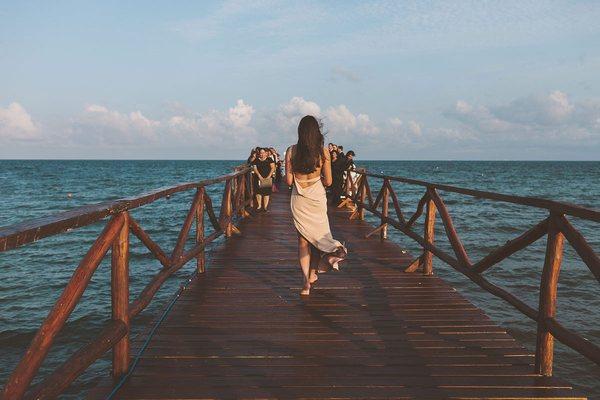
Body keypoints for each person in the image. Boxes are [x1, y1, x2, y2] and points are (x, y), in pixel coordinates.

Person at [286, 115, 347, 296]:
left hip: (299, 199)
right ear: (316, 132)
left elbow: (289, 180)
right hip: (317, 198)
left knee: (303, 241)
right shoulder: (323, 153)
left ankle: (306, 282)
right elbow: (328, 181)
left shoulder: (291, 151)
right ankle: (329, 258)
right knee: (319, 237)